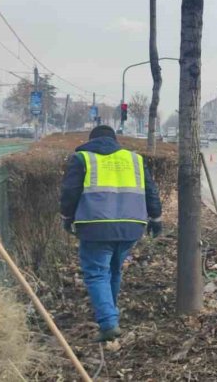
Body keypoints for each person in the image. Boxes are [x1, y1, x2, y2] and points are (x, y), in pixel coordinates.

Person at [59, 125, 162, 342]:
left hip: (96, 226)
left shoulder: (82, 158)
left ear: (92, 140)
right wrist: (156, 217)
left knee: (97, 272)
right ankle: (110, 313)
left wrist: (67, 218)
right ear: (115, 140)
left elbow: (70, 192)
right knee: (114, 270)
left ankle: (108, 324)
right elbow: (151, 189)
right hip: (130, 226)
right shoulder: (133, 159)